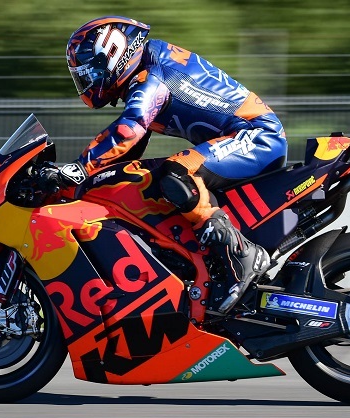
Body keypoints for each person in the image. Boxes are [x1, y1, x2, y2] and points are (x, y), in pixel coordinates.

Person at [43, 16, 288, 313]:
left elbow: (130, 128)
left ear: (112, 56)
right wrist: (90, 181)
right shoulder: (147, 69)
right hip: (245, 136)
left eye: (91, 71)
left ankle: (242, 256)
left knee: (177, 174)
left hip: (257, 136)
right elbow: (129, 148)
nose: (88, 81)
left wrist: (80, 168)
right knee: (143, 180)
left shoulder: (152, 76)